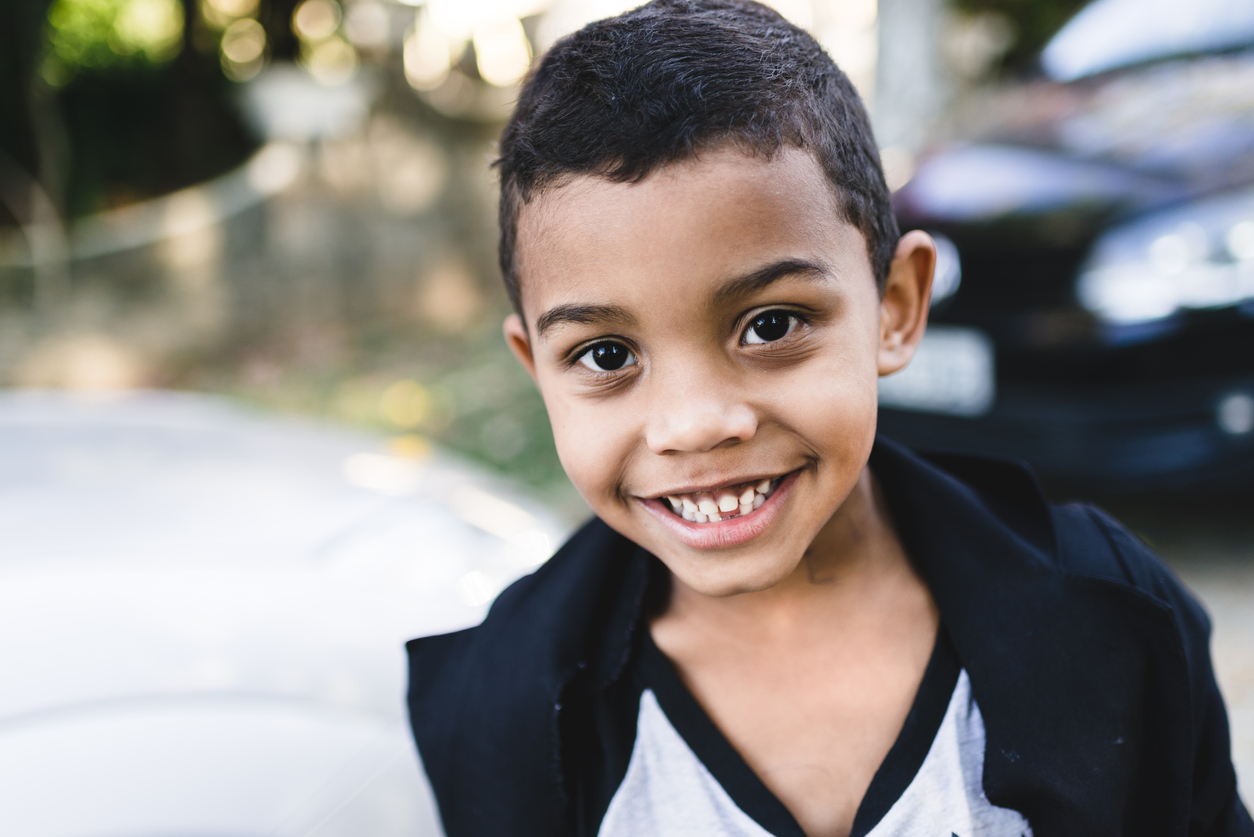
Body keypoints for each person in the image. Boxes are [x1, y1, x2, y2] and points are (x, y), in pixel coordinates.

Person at [406, 1, 1253, 835]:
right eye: (606, 356)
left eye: (770, 325)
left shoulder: (1114, 617)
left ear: (894, 307)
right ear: (536, 368)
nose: (697, 424)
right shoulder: (504, 708)